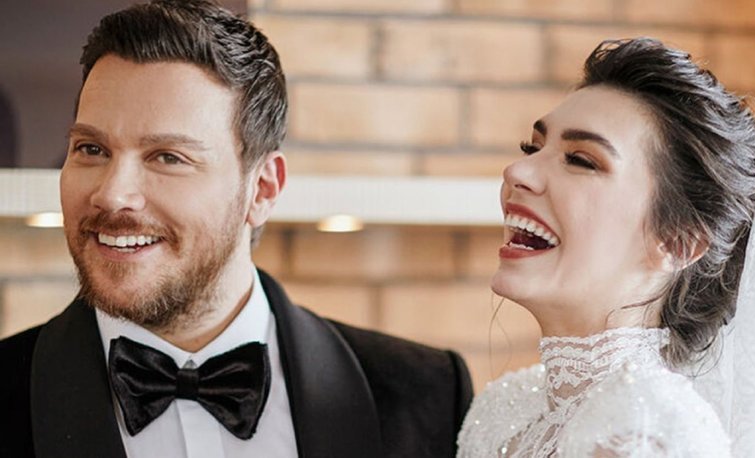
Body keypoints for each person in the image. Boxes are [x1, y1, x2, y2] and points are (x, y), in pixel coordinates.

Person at [0, 1, 472, 457]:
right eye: (91, 149)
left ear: (262, 189)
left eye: (168, 157)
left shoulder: (428, 395)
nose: (112, 194)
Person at [456, 37, 755, 457]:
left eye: (581, 160)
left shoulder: (649, 429)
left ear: (678, 243)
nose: (517, 171)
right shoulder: (500, 412)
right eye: (532, 148)